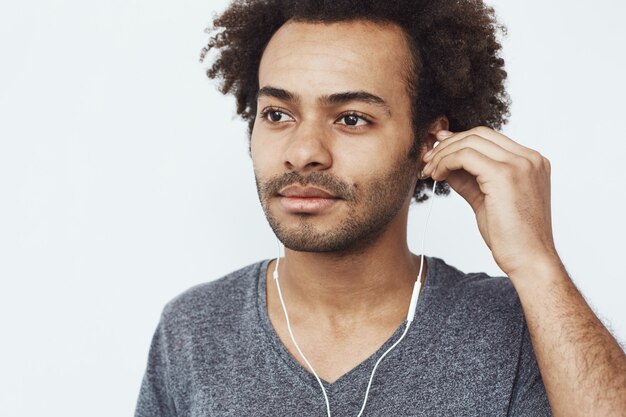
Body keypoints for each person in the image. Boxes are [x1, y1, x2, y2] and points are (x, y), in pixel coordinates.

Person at [134, 1, 626, 416]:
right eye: (277, 114)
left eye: (351, 118)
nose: (303, 150)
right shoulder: (194, 330)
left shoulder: (518, 328)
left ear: (427, 143)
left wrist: (537, 264)